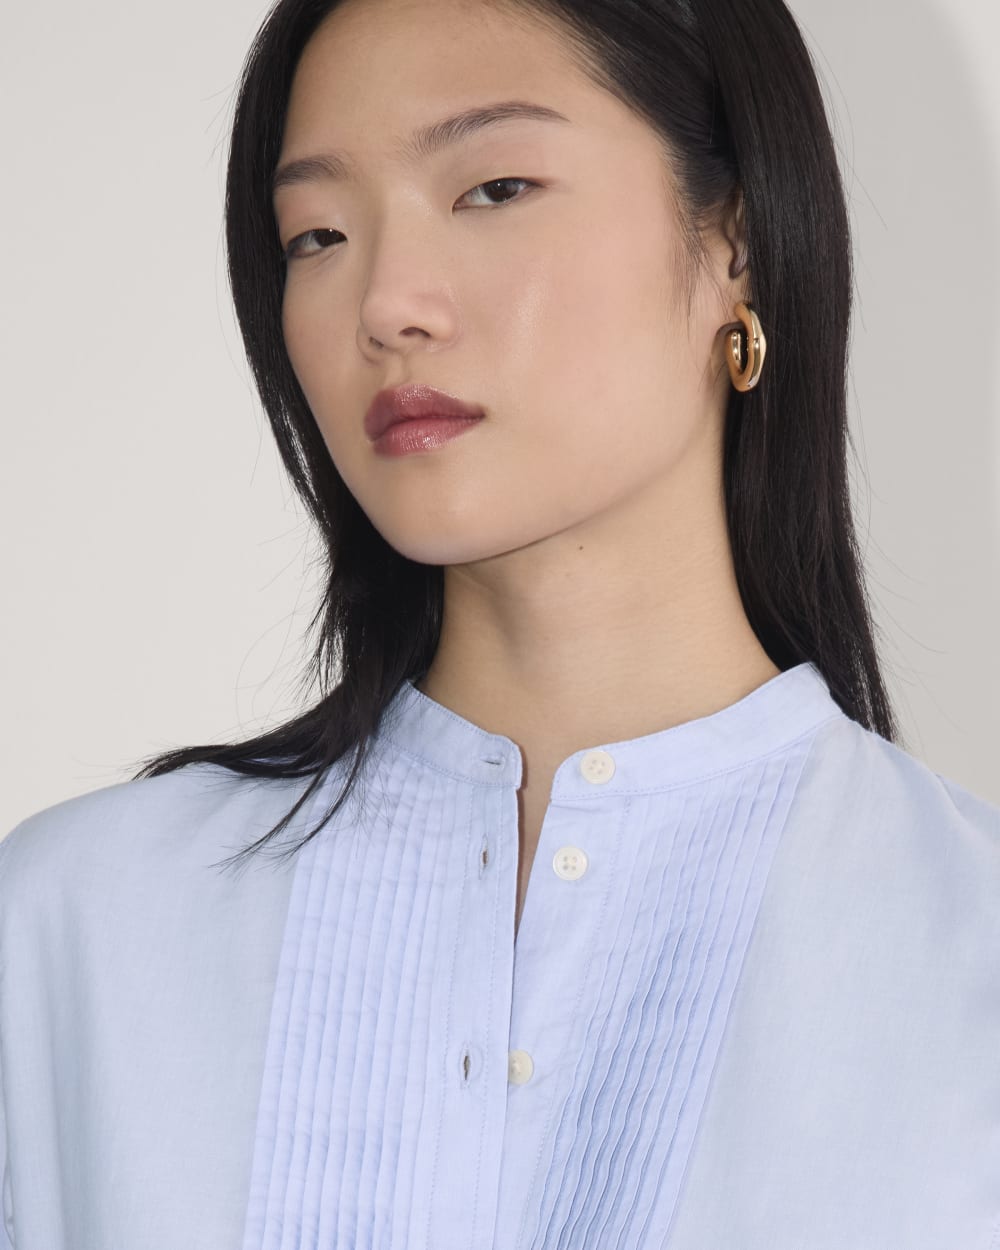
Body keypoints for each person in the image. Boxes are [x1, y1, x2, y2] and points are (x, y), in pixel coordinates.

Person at [2, 0, 998, 1245]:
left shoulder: (968, 947)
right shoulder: (72, 931)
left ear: (735, 237)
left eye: (492, 188)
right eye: (317, 234)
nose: (386, 304)